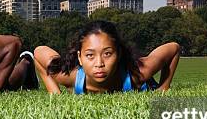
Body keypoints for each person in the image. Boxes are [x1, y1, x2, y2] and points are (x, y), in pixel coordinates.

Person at [33, 20, 180, 94]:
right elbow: (39, 51)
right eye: (90, 55)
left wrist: (164, 87)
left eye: (107, 54)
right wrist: (54, 92)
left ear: (119, 54)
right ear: (79, 57)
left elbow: (173, 48)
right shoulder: (69, 77)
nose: (99, 63)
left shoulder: (139, 74)